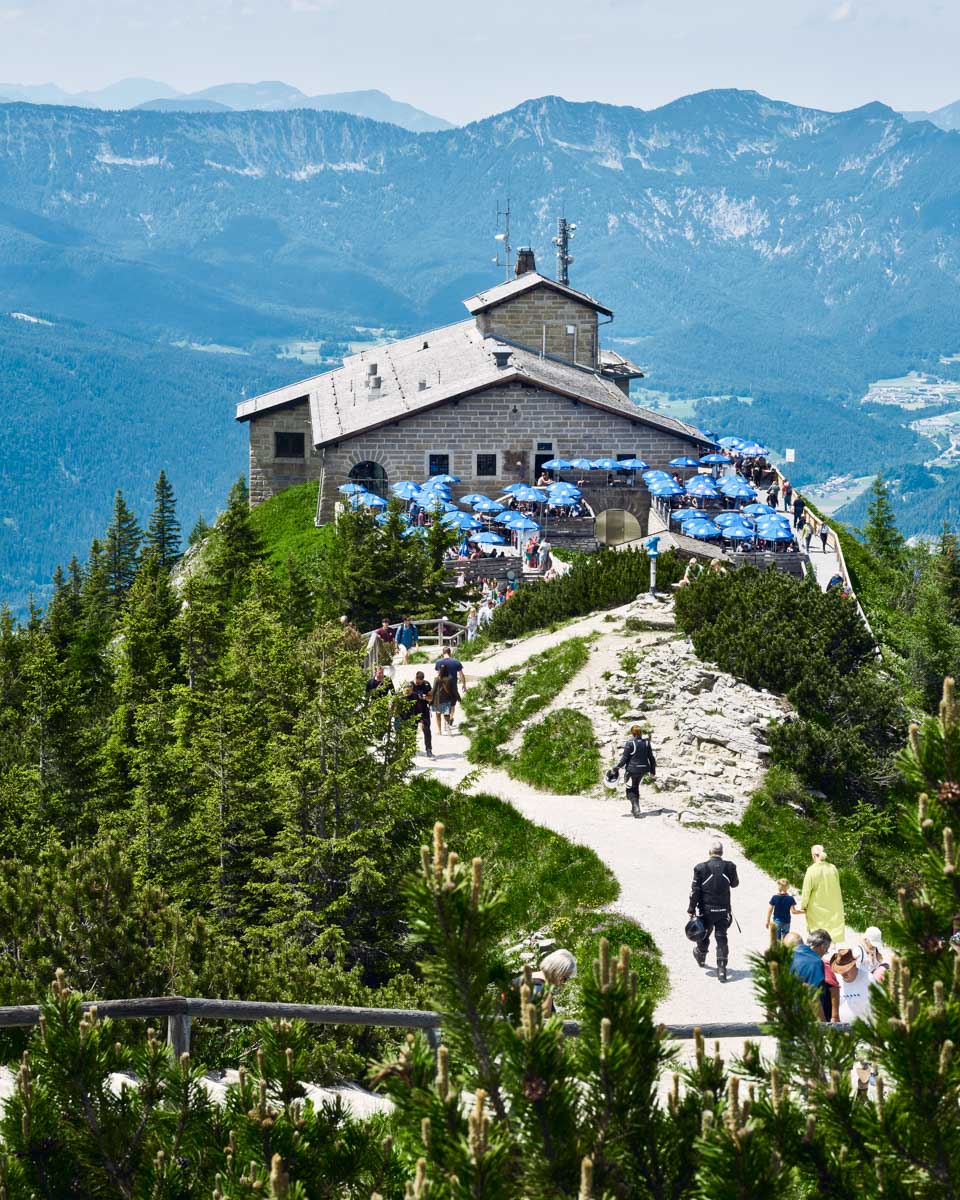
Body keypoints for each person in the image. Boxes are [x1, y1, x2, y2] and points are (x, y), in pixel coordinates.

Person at [687, 840, 739, 983]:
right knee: (721, 937)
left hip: (706, 910)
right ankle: (721, 970)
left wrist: (691, 909)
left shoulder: (700, 868)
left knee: (704, 934)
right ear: (721, 853)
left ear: (710, 852)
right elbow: (735, 884)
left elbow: (695, 891)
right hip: (723, 910)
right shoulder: (730, 867)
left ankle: (701, 956)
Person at [784, 928, 835, 1021]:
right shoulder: (817, 962)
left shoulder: (783, 960)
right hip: (810, 1021)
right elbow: (815, 997)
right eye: (826, 950)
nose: (825, 953)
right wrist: (824, 1023)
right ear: (823, 946)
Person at [799, 844, 845, 943]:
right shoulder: (832, 868)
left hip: (817, 908)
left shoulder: (811, 870)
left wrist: (803, 905)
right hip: (832, 906)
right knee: (831, 934)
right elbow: (837, 885)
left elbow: (806, 891)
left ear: (813, 856)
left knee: (817, 935)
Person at [609, 724, 657, 817]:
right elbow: (651, 758)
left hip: (631, 770)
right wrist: (652, 772)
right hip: (643, 769)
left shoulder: (630, 743)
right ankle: (634, 809)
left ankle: (636, 807)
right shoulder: (647, 743)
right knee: (635, 787)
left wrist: (616, 768)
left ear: (632, 733)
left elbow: (624, 759)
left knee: (629, 790)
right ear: (640, 733)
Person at [532, 948, 577, 1016]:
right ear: (558, 972)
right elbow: (544, 1025)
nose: (564, 983)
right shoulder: (545, 994)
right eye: (566, 978)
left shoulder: (521, 979)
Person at [401, 681, 433, 758]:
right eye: (407, 689)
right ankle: (410, 750)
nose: (408, 691)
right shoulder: (400, 696)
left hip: (414, 716)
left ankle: (428, 749)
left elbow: (419, 708)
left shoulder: (415, 696)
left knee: (426, 730)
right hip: (404, 718)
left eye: (410, 689)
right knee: (408, 735)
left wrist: (421, 719)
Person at [434, 651, 466, 728]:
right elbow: (461, 674)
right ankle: (450, 719)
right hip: (453, 686)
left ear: (442, 653)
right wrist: (464, 684)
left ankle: (445, 721)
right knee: (452, 704)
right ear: (450, 653)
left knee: (443, 704)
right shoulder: (456, 662)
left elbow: (438, 674)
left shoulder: (438, 662)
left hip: (441, 687)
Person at [430, 663, 458, 735]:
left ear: (439, 671)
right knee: (446, 714)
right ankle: (448, 726)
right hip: (447, 699)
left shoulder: (436, 679)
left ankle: (439, 731)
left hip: (438, 700)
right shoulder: (450, 679)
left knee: (438, 714)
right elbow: (453, 689)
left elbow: (433, 690)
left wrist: (428, 696)